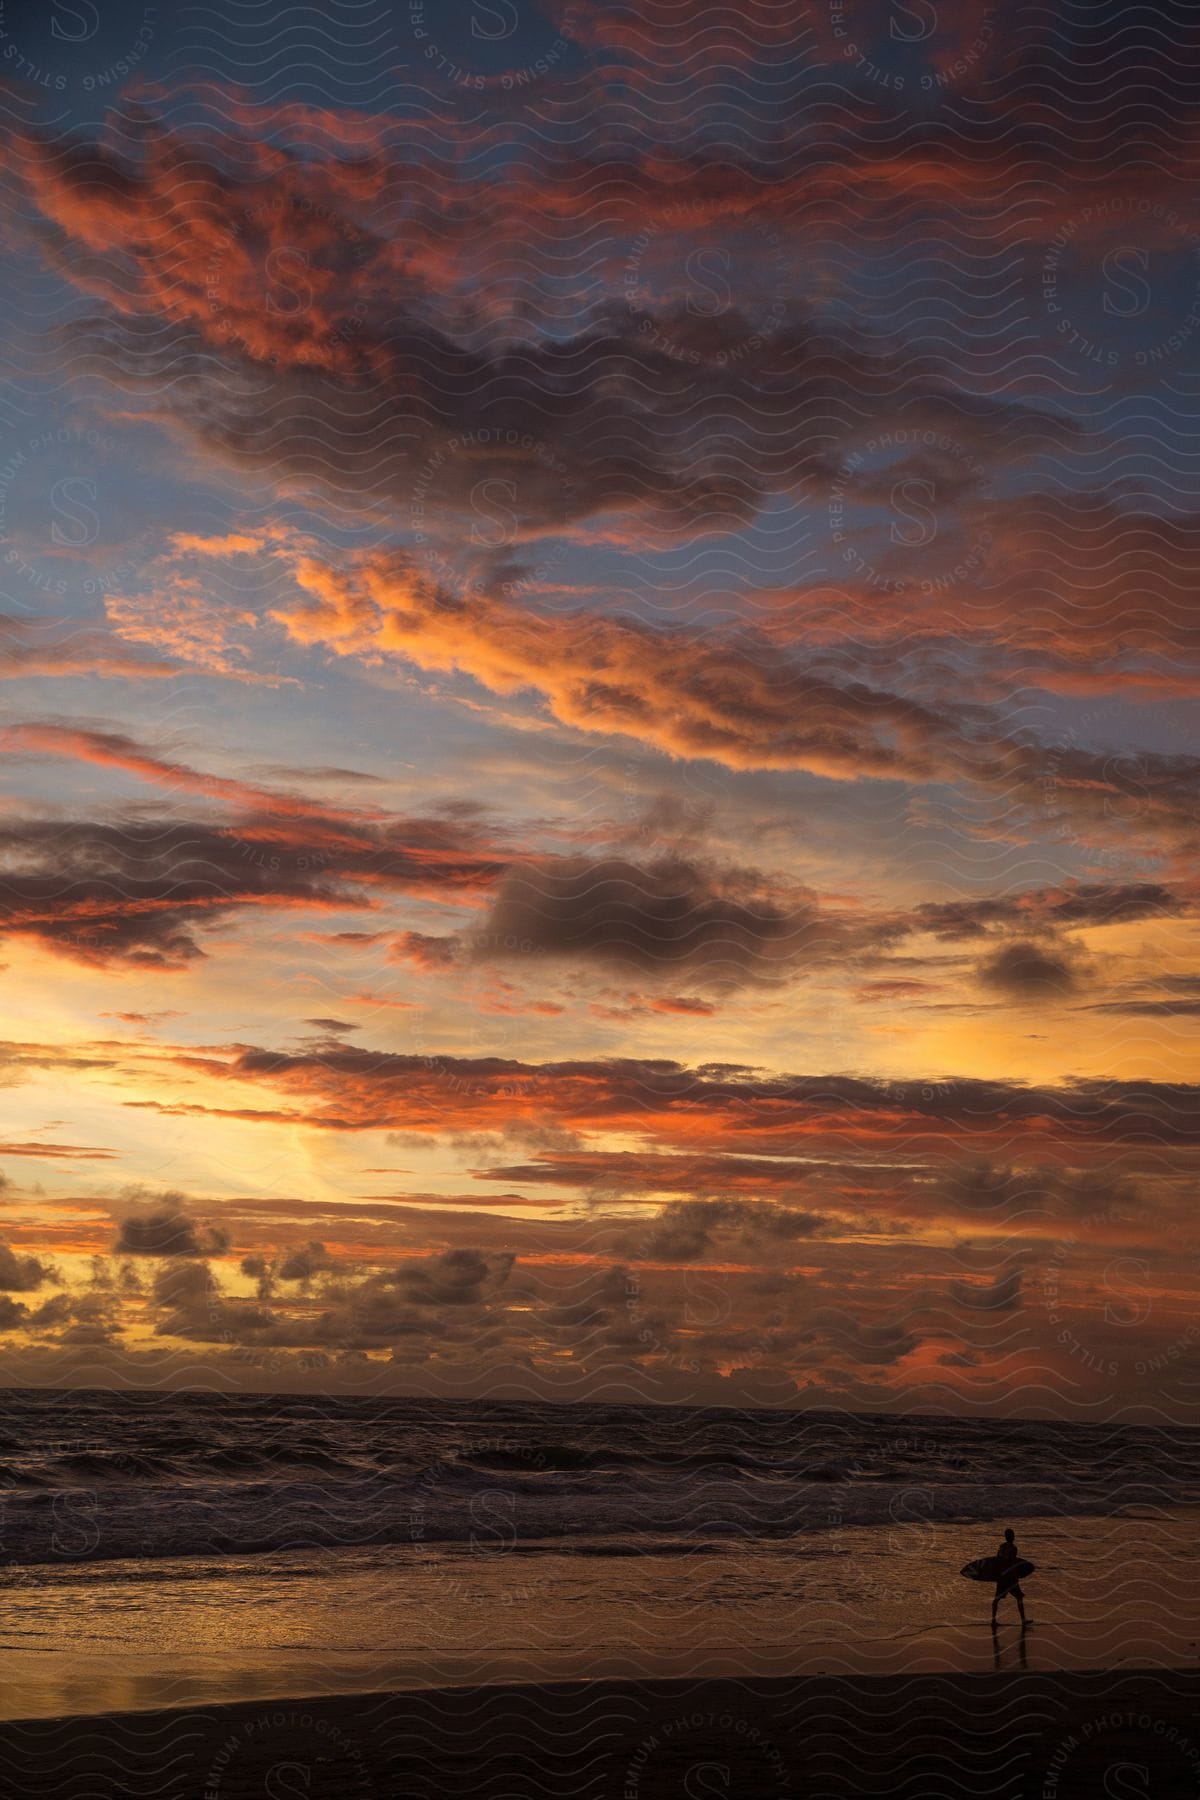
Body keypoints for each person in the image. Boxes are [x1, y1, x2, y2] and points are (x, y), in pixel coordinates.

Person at [991, 1526, 1027, 1627]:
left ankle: (993, 1620)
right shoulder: (1013, 1548)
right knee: (1019, 1597)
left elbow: (997, 1561)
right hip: (1010, 1577)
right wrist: (1016, 1577)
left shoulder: (1001, 1547)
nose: (1014, 1537)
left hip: (1001, 1576)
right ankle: (1023, 1620)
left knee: (996, 1599)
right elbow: (1012, 1563)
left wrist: (996, 1575)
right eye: (1012, 1535)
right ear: (1011, 1537)